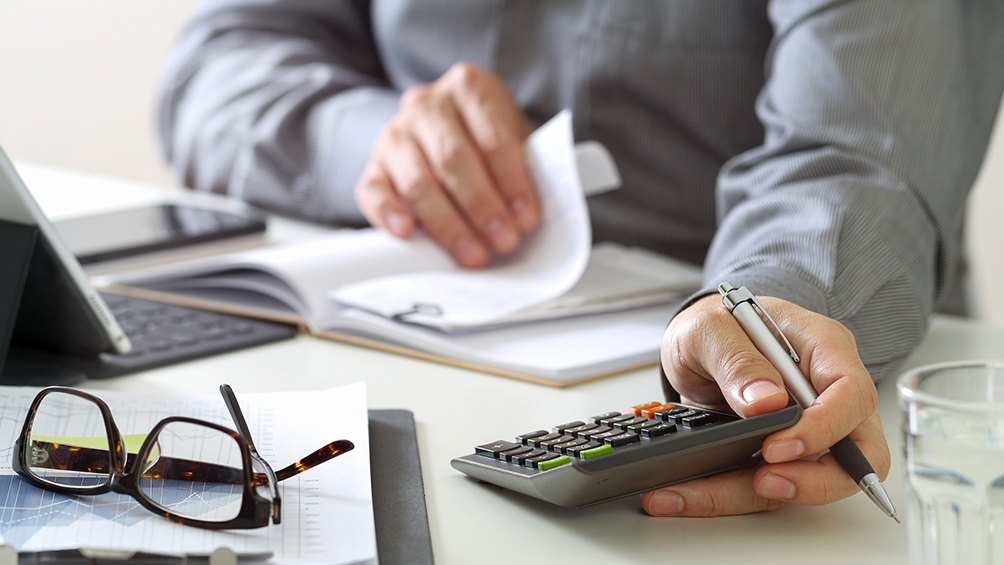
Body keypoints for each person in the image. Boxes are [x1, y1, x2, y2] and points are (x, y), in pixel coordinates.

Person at [158, 1, 1004, 517]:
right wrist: (378, 140)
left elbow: (861, 151)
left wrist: (761, 305)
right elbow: (219, 63)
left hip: (741, 364)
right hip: (403, 333)